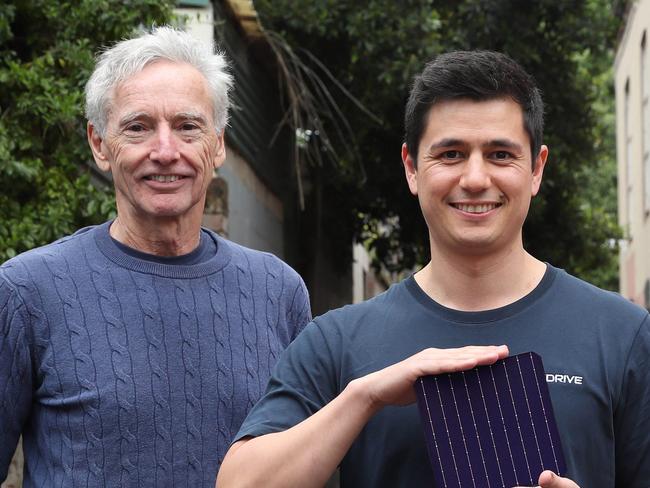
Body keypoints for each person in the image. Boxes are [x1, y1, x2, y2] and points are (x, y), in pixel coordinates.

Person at [217, 51, 650, 488]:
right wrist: (365, 396)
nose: (476, 178)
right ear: (411, 168)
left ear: (536, 169)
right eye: (451, 154)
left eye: (500, 154)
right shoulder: (338, 342)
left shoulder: (622, 335)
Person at [0, 26, 311, 487]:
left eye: (188, 126)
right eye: (138, 127)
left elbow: (304, 463)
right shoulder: (27, 291)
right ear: (100, 144)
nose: (166, 152)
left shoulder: (279, 292)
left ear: (218, 143)